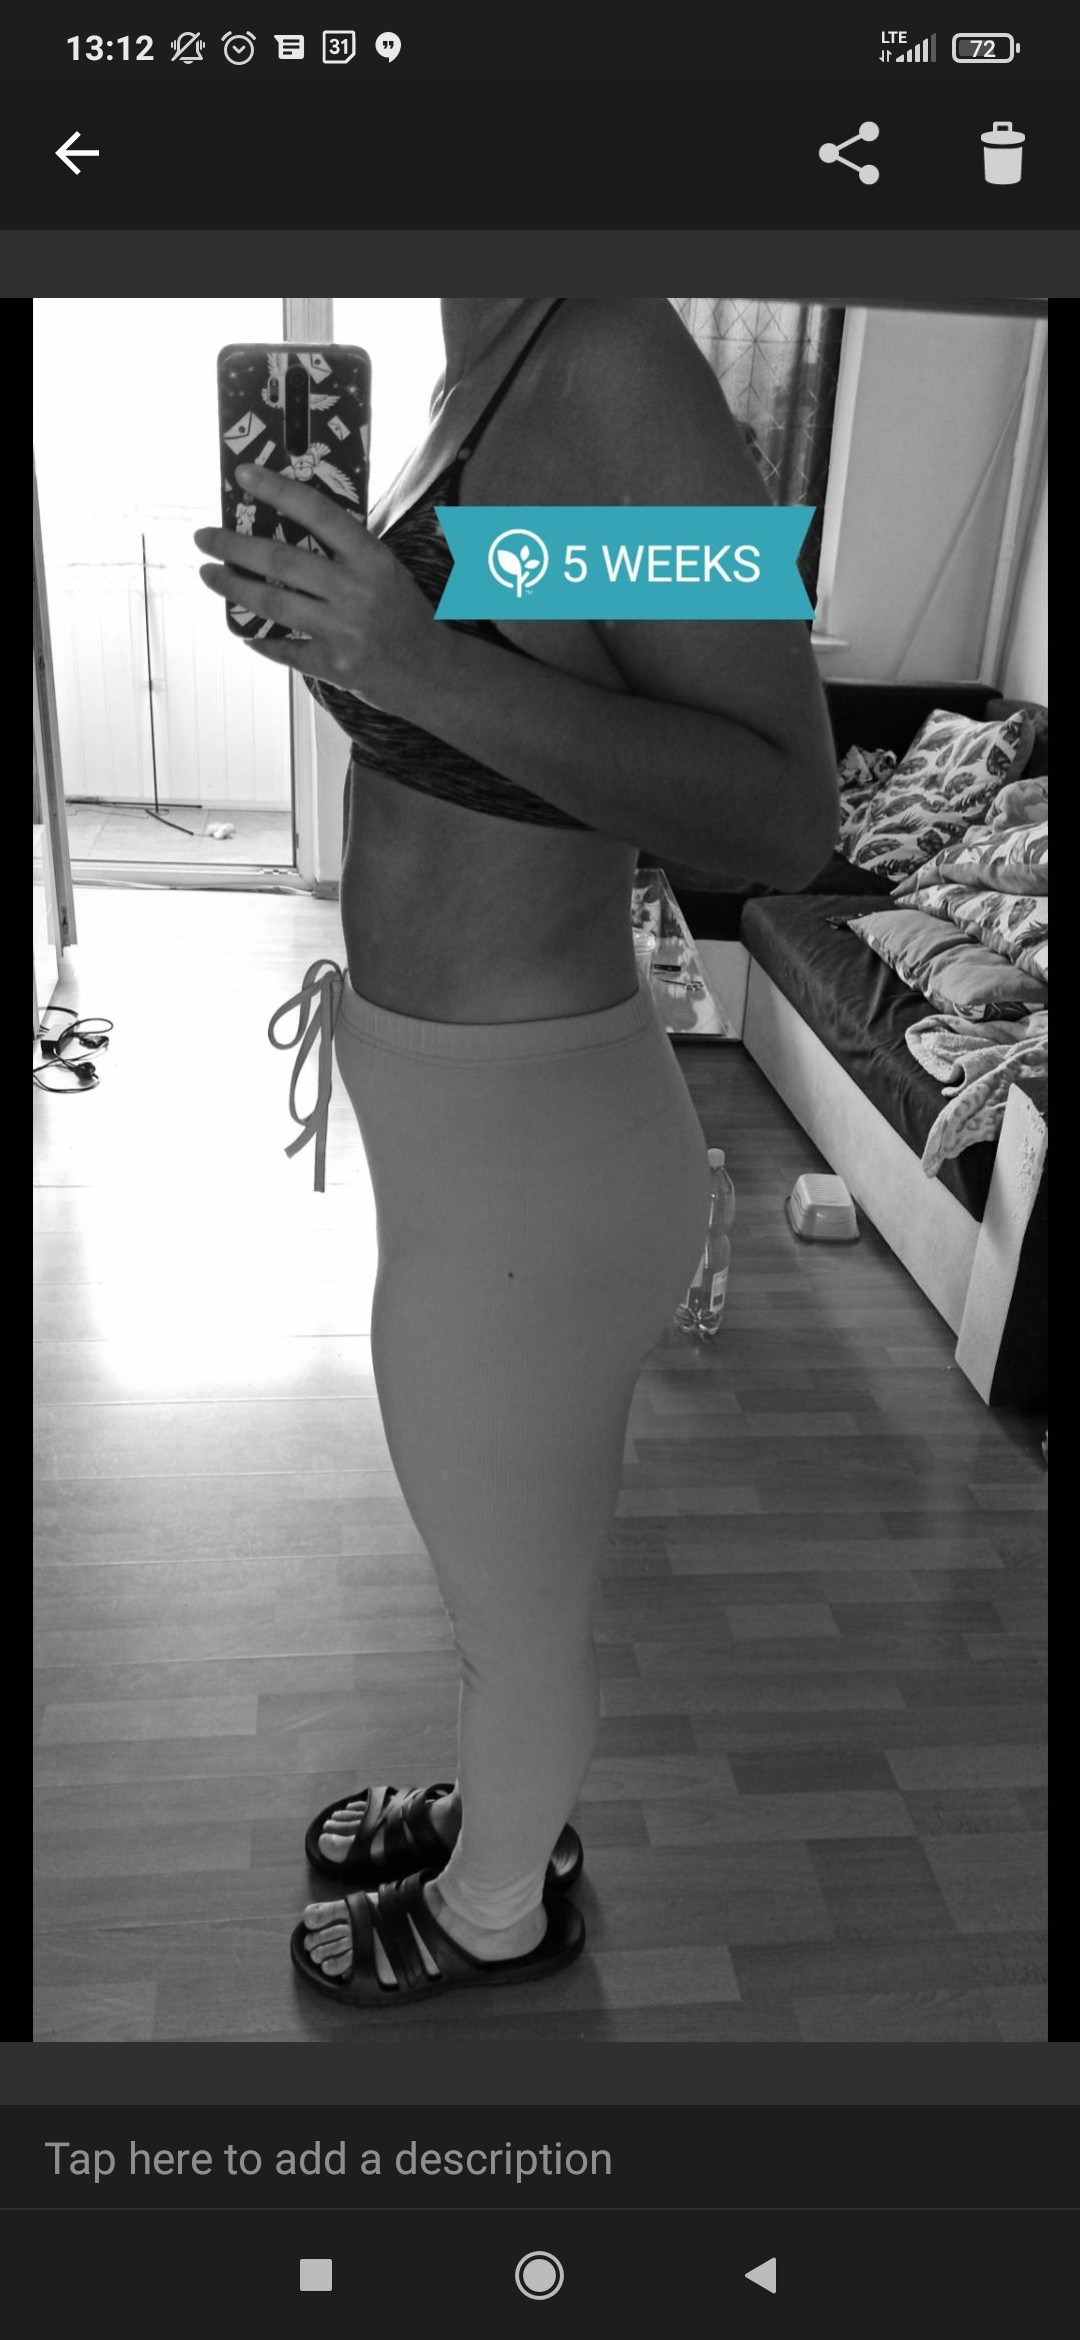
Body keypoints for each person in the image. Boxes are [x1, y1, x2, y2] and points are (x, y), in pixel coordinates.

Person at [194, 296, 839, 2008]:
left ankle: (498, 1908)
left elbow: (784, 811)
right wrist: (354, 644)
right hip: (474, 1152)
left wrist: (409, 659)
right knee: (502, 1560)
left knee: (515, 1605)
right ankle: (503, 1806)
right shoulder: (474, 375)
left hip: (536, 1175)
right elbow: (525, 711)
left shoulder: (607, 361)